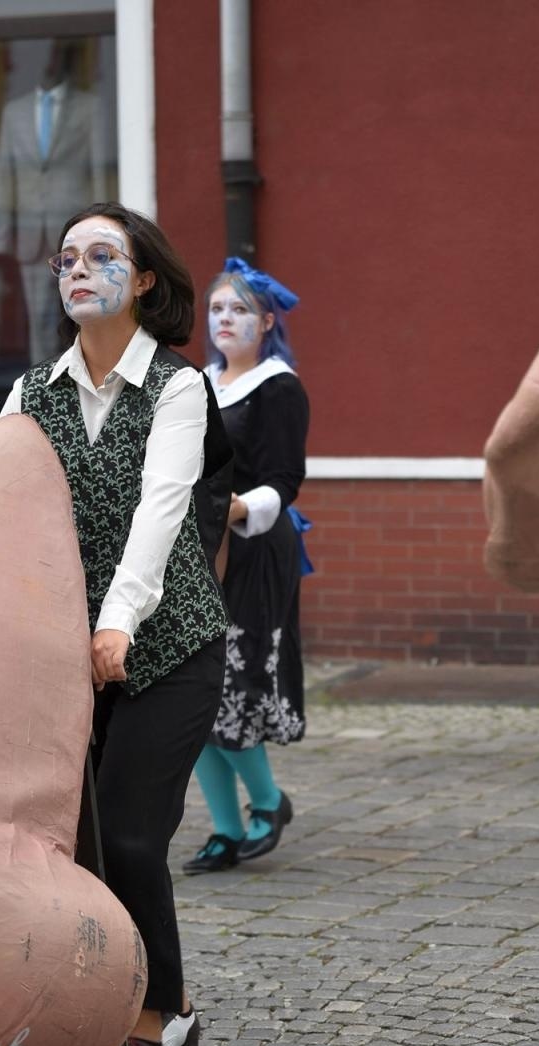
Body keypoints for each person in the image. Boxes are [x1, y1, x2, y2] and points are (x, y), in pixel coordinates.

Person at [0, 202, 226, 1046]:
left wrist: (119, 621)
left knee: (131, 835)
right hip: (65, 655)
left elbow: (161, 512)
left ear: (143, 280)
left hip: (171, 647)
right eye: (66, 260)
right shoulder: (30, 393)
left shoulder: (178, 387)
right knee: (77, 847)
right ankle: (95, 997)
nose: (79, 271)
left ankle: (163, 1014)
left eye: (102, 256)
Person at [181, 258, 310, 873]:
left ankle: (266, 801)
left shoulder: (278, 387)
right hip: (196, 546)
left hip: (252, 549)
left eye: (238, 309)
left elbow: (285, 479)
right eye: (216, 309)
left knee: (233, 683)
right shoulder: (198, 383)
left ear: (266, 322)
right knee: (191, 693)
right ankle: (225, 830)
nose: (224, 319)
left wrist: (237, 507)